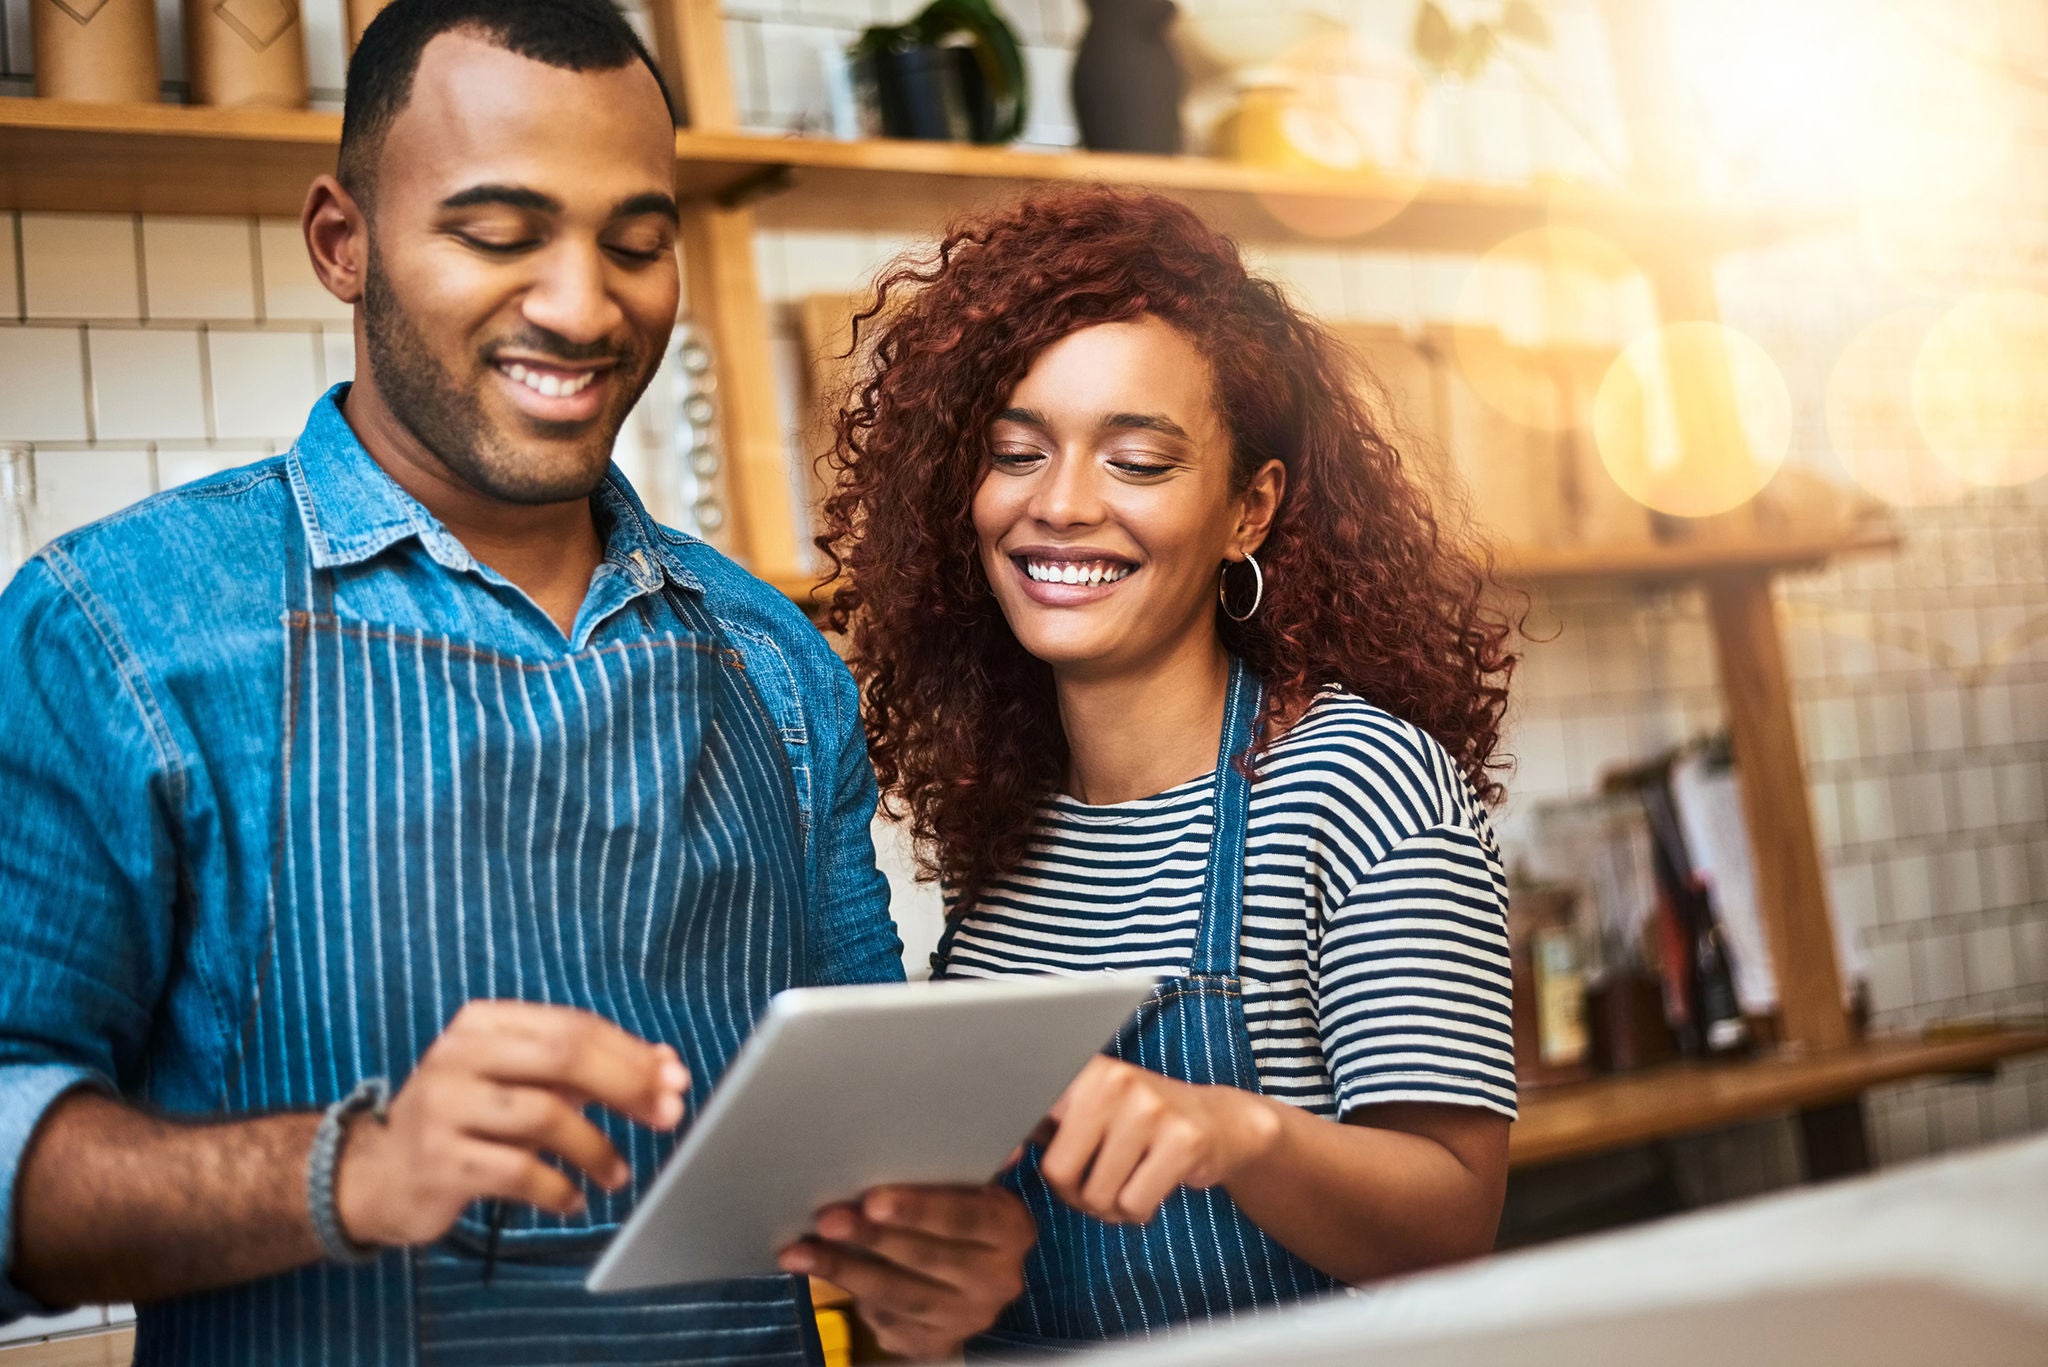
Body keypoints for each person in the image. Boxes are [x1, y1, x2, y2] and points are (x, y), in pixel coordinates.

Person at [0, 2, 1031, 1361]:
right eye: (498, 234)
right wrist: (349, 1167)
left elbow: (866, 1152)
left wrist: (930, 1267)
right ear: (342, 241)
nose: (581, 303)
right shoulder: (115, 629)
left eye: (637, 241)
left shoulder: (773, 660)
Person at [818, 186, 1520, 1352]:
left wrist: (1235, 1133)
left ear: (1248, 508)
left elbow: (1452, 1214)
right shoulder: (1009, 819)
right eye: (1015, 451)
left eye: (1136, 459)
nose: (1060, 504)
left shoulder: (1355, 782)